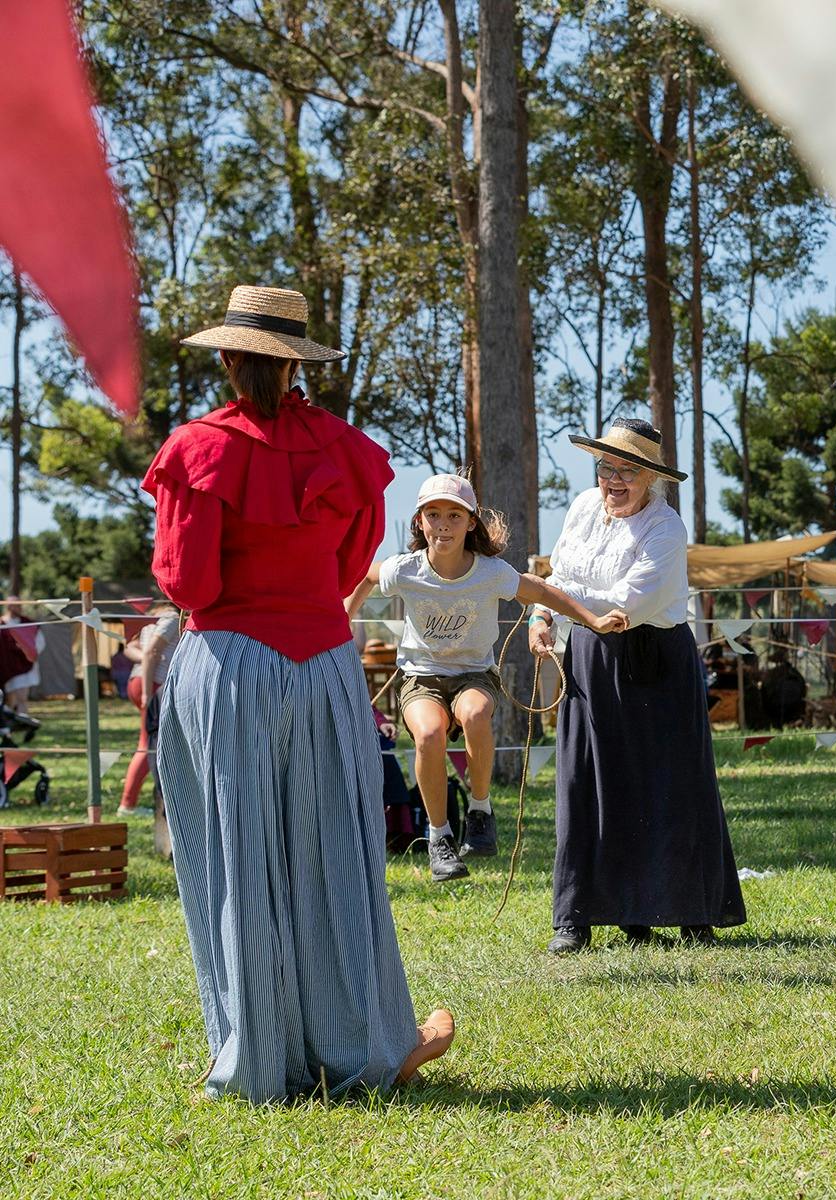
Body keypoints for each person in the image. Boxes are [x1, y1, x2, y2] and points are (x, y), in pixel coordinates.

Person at [145, 284, 451, 1102]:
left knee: (240, 861)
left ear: (226, 357)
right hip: (322, 667)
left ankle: (255, 1058)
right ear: (297, 364)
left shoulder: (197, 449)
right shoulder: (347, 449)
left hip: (229, 665)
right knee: (338, 862)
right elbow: (350, 566)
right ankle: (366, 1047)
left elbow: (187, 580)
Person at [529, 419, 745, 952]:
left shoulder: (666, 527)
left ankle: (691, 912)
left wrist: (550, 595)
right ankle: (575, 917)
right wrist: (541, 612)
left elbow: (629, 603)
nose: (615, 480)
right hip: (587, 656)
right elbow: (558, 572)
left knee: (671, 786)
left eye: (629, 470)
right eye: (608, 467)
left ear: (651, 477)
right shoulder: (581, 507)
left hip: (654, 658)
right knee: (585, 782)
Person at [345, 474, 626, 883]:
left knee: (476, 714)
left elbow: (543, 591)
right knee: (427, 736)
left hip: (475, 673)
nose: (443, 524)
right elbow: (367, 577)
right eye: (434, 514)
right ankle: (439, 837)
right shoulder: (405, 569)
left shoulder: (490, 573)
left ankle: (480, 810)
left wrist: (594, 620)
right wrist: (342, 619)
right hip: (421, 676)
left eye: (454, 515)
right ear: (419, 522)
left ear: (471, 523)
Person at [118, 602, 181, 816]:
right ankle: (128, 804)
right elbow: (151, 651)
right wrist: (147, 691)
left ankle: (133, 801)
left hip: (140, 680)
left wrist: (146, 659)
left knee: (148, 743)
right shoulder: (172, 618)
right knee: (148, 745)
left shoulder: (152, 619)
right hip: (152, 684)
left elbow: (131, 648)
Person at [0, 597, 44, 713]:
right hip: (5, 667)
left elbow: (39, 643)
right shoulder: (1, 623)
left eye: (20, 605)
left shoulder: (28, 623)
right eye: (17, 605)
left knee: (22, 698)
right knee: (9, 701)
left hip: (23, 666)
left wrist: (28, 652)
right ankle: (9, 727)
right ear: (9, 606)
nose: (20, 608)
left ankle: (23, 722)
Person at [759, 644, 808, 727]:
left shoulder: (771, 676)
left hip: (776, 710)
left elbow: (764, 696)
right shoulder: (796, 675)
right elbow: (803, 693)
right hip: (791, 711)